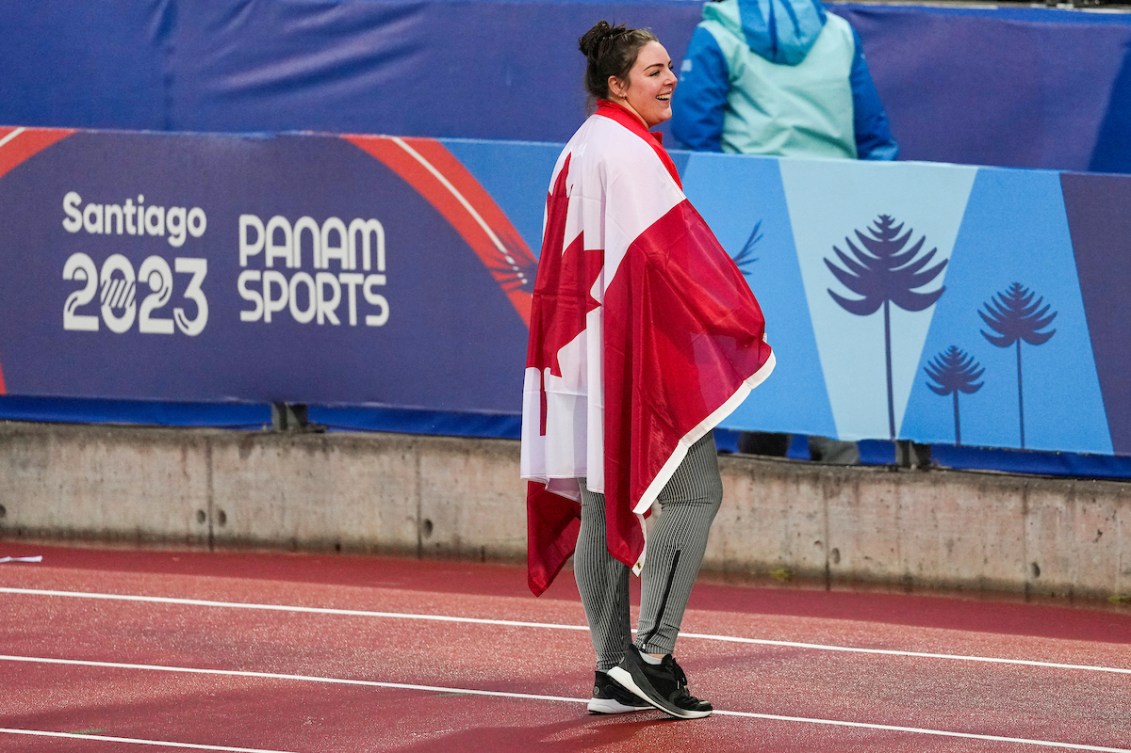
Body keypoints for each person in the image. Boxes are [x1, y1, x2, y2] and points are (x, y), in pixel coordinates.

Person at [520, 20, 775, 720]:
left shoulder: (580, 148)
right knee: (694, 493)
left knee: (604, 507)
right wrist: (736, 314)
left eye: (670, 68)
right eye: (655, 70)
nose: (670, 79)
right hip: (622, 357)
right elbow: (672, 258)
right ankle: (649, 655)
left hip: (578, 355)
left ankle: (611, 671)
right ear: (617, 83)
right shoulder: (628, 151)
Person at [671, 0, 897, 464]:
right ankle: (840, 470)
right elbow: (874, 135)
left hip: (752, 218)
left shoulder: (718, 34)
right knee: (830, 342)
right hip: (838, 212)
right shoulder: (838, 33)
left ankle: (765, 464)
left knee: (763, 337)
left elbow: (697, 137)